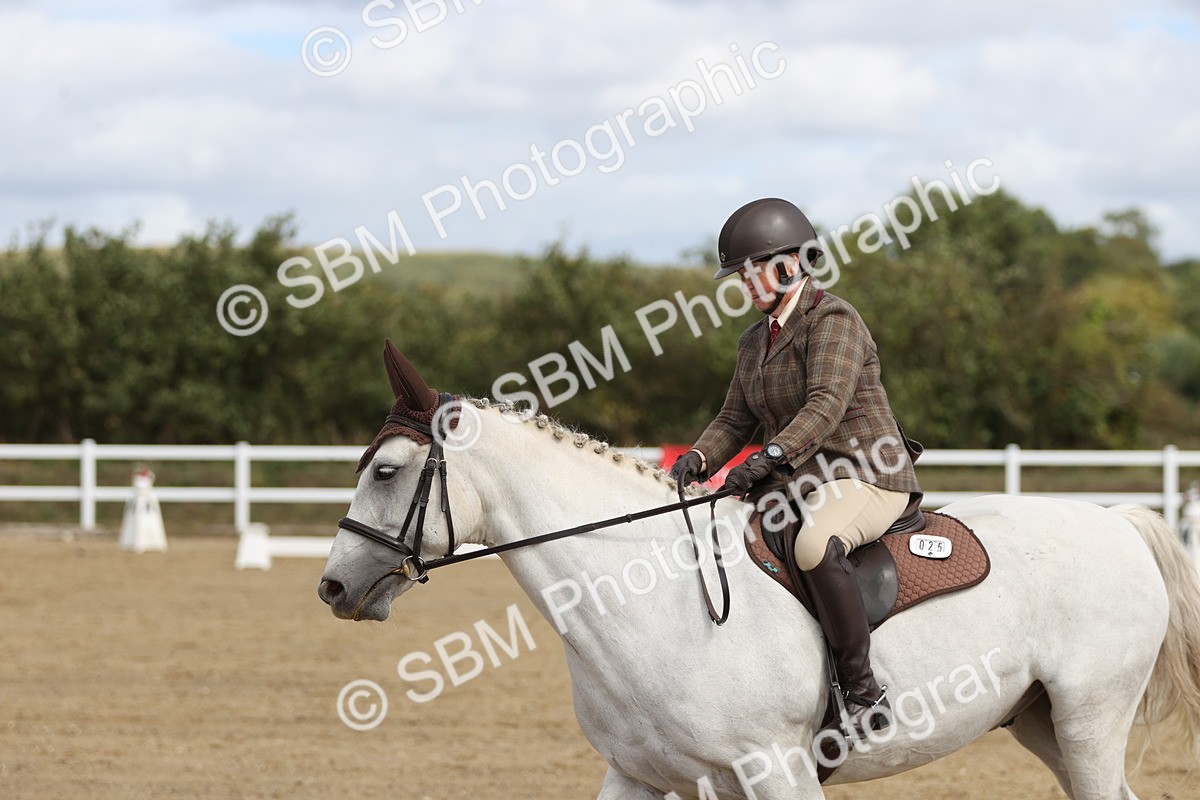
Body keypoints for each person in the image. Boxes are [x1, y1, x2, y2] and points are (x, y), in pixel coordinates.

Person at [669, 197, 923, 742]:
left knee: (813, 545)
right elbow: (734, 418)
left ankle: (862, 691)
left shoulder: (834, 320)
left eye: (749, 272)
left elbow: (825, 405)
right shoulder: (753, 340)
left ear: (788, 265)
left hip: (867, 472)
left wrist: (768, 458)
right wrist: (701, 457)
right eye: (740, 276)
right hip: (800, 481)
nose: (743, 285)